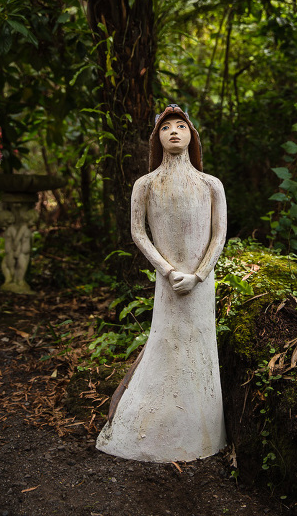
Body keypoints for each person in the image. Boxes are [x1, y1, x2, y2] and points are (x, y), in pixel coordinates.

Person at [96, 104, 227, 462]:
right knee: (166, 345)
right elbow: (139, 233)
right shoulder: (146, 184)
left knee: (200, 347)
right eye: (165, 127)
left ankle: (203, 434)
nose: (173, 131)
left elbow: (219, 235)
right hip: (168, 285)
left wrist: (198, 275)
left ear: (191, 136)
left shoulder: (211, 184)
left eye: (180, 125)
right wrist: (168, 271)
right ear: (157, 138)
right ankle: (148, 431)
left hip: (200, 286)